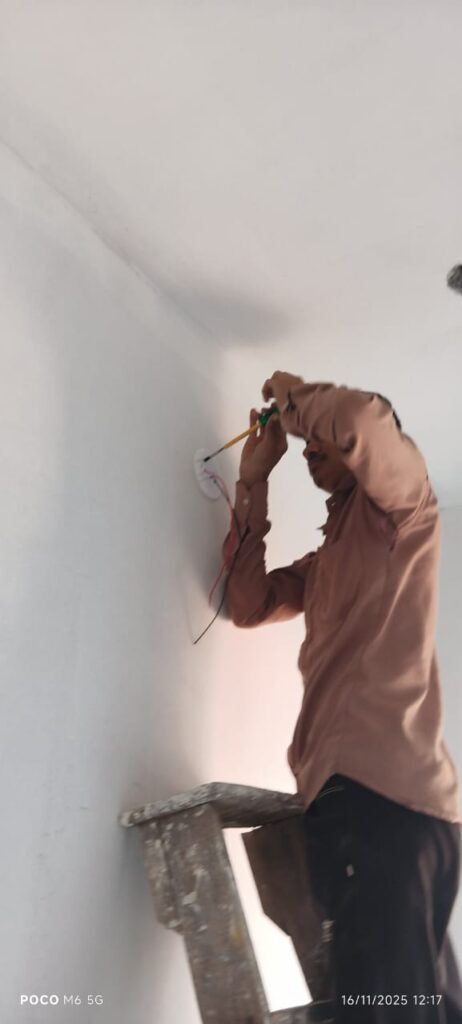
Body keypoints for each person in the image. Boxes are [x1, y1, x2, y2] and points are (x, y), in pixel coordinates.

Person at [223, 371, 462, 1022]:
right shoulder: (328, 559)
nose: (308, 447)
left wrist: (294, 395)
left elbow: (357, 419)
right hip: (364, 802)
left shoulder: (406, 507)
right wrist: (254, 481)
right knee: (414, 1006)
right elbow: (246, 603)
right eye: (305, 443)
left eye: (316, 439)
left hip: (381, 798)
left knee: (386, 1009)